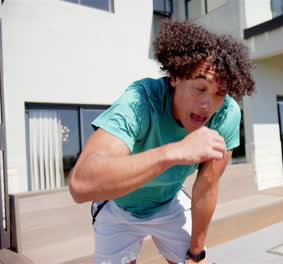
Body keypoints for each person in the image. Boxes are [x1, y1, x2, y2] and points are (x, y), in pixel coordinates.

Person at [69, 19, 255, 264]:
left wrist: (197, 253)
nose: (208, 105)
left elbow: (207, 186)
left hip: (169, 204)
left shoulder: (226, 114)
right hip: (117, 208)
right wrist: (175, 151)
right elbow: (82, 185)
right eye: (200, 88)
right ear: (175, 77)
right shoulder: (140, 100)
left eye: (219, 93)